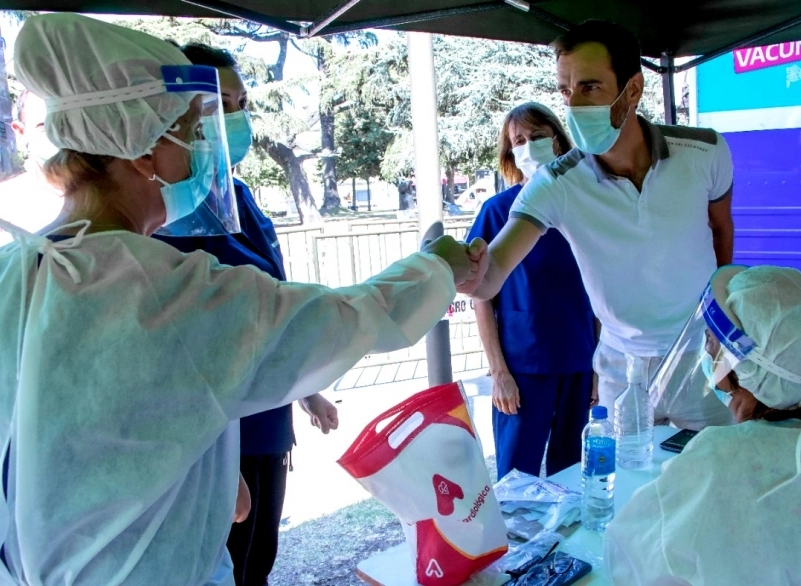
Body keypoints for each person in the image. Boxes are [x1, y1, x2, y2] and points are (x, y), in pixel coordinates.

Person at [0, 13, 484, 586]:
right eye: (191, 130)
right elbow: (347, 318)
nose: (204, 149)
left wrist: (202, 453)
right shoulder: (163, 287)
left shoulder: (21, 269)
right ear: (142, 152)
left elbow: (98, 426)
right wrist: (439, 268)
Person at [459, 20, 736, 430]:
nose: (573, 106)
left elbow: (720, 230)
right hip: (622, 367)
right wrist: (463, 272)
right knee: (628, 489)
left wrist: (718, 314)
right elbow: (492, 273)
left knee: (715, 480)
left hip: (701, 355)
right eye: (566, 91)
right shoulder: (555, 183)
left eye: (590, 87)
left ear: (634, 90)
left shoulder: (704, 151)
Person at [153, 42, 337, 586]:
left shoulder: (238, 197)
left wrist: (304, 389)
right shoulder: (169, 213)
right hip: (213, 437)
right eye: (218, 103)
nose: (233, 117)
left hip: (264, 424)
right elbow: (175, 348)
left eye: (240, 102)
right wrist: (215, 461)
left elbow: (270, 306)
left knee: (257, 560)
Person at [604, 265, 801, 585]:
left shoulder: (717, 458)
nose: (707, 348)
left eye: (712, 340)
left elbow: (630, 558)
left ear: (747, 365)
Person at [468, 102, 596, 479]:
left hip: (579, 361)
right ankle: (517, 542)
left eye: (537, 137)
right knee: (516, 480)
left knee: (572, 475)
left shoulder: (584, 204)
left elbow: (599, 291)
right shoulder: (498, 211)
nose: (529, 145)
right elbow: (480, 296)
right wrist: (499, 373)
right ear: (510, 153)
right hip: (523, 369)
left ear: (558, 140)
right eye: (519, 140)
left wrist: (600, 367)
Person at [0, 90, 63, 245]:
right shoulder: (5, 205)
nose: (60, 136)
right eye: (44, 126)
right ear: (21, 131)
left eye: (66, 125)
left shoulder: (122, 192)